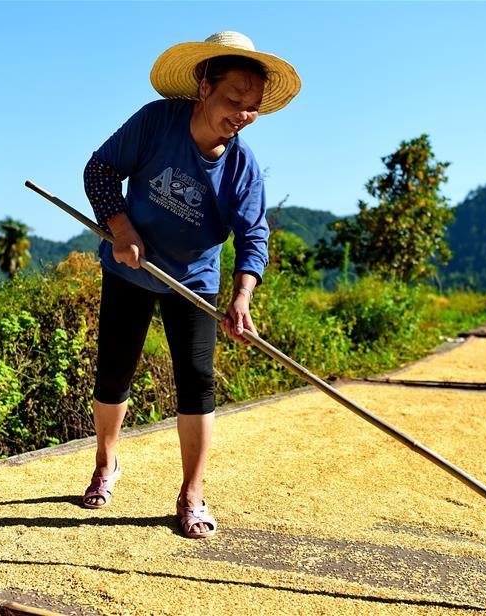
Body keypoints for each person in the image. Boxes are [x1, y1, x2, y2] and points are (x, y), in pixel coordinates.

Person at [81, 32, 301, 539]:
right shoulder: (157, 121)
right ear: (204, 86)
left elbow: (253, 236)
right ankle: (106, 461)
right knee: (114, 370)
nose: (243, 114)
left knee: (197, 381)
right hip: (131, 268)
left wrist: (241, 295)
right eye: (233, 100)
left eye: (253, 107)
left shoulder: (242, 166)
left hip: (194, 282)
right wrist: (121, 227)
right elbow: (100, 171)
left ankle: (192, 494)